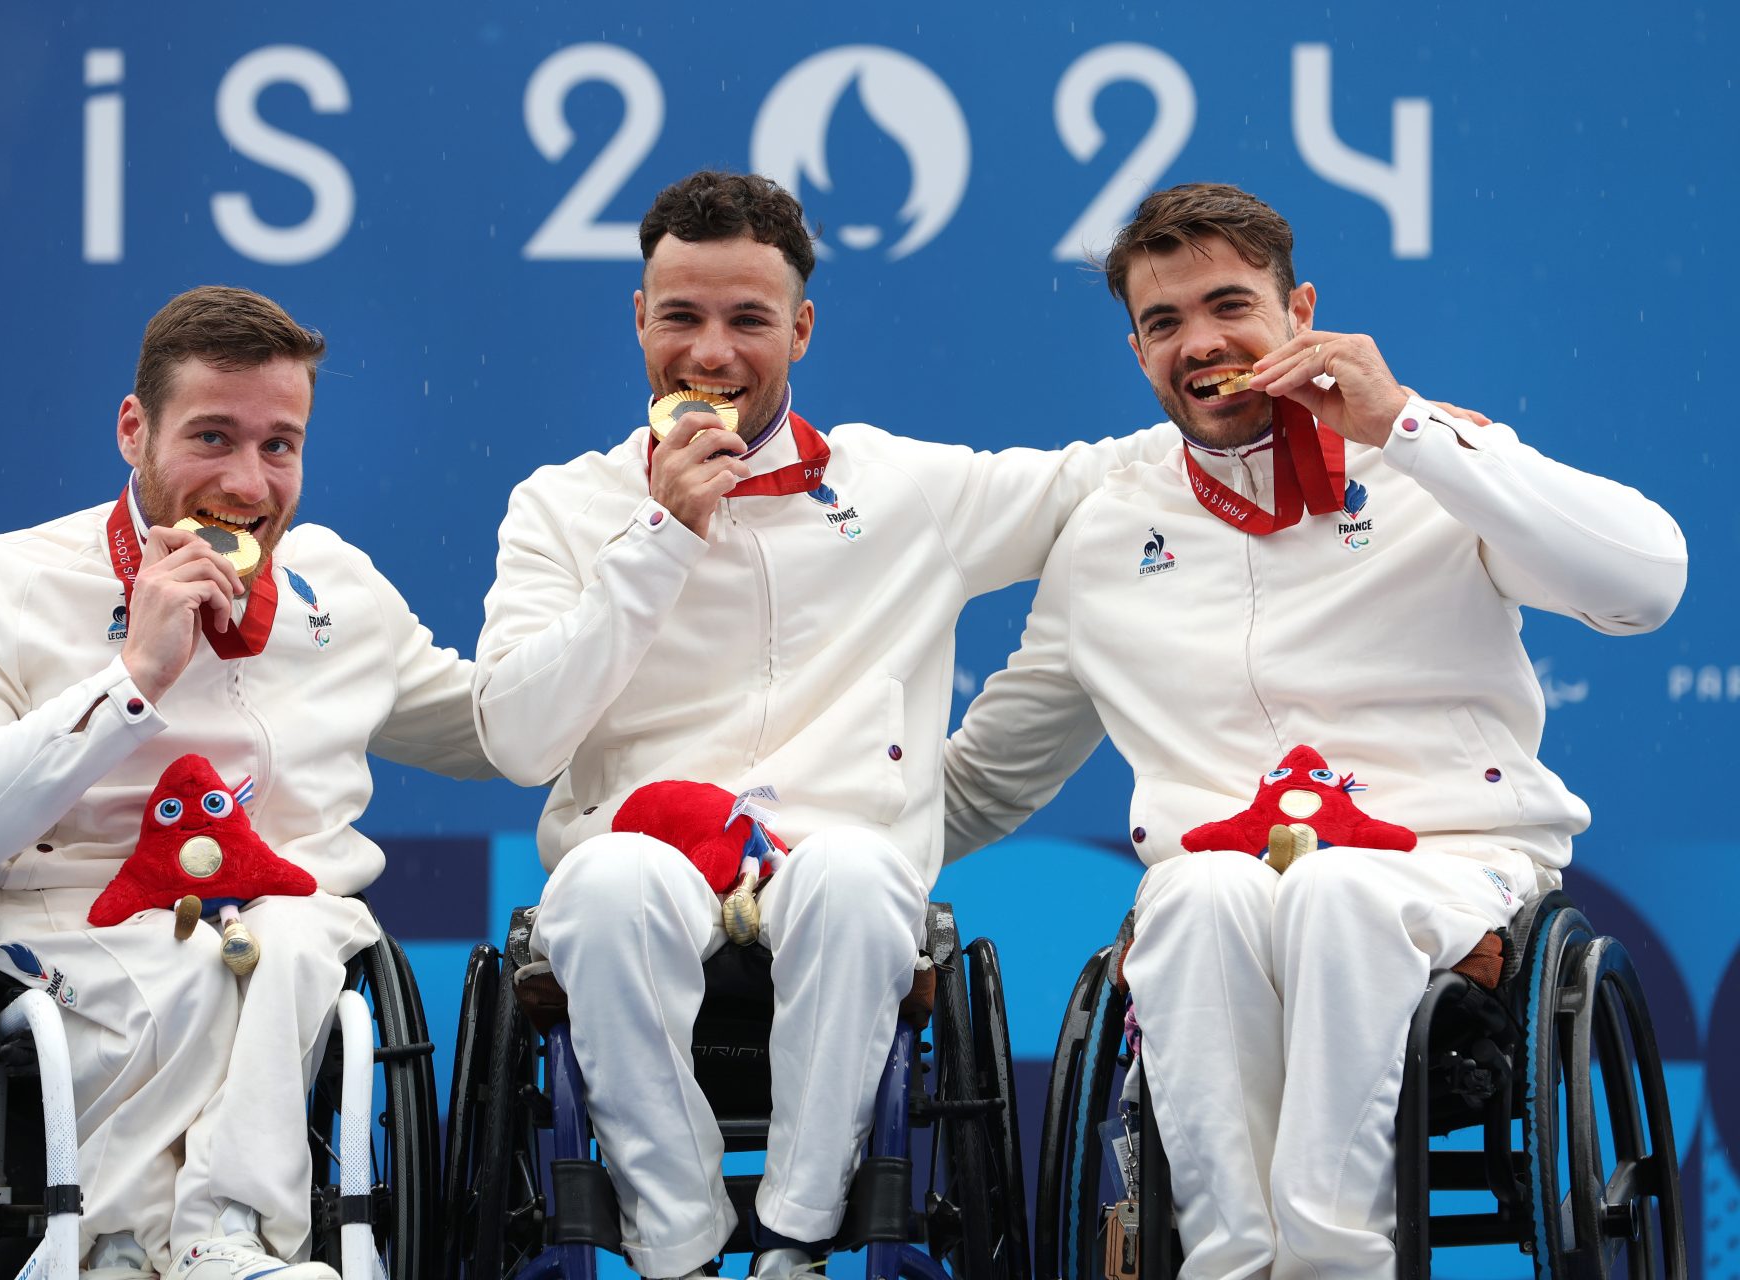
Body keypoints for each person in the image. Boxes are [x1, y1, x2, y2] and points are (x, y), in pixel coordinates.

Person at [942, 183, 1687, 1279]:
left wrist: (1403, 426)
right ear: (1139, 351)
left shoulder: (1431, 465)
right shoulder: (1108, 530)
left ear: (1303, 313)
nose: (1200, 343)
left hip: (1443, 863)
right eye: (1162, 323)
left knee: (1338, 892)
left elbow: (1647, 581)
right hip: (1223, 887)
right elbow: (988, 777)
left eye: (1228, 304)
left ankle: (1336, 1263)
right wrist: (837, 850)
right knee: (1193, 895)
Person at [471, 169, 1176, 1280]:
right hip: (640, 860)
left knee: (851, 872)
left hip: (837, 863)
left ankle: (795, 1238)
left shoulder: (902, 488)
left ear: (798, 327)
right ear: (639, 319)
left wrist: (1361, 420)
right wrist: (659, 536)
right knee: (604, 885)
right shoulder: (564, 506)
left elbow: (1108, 474)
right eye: (681, 317)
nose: (711, 353)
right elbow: (515, 737)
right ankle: (680, 1241)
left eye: (748, 319)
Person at [0, 286, 494, 1280]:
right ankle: (112, 1236)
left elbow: (498, 725)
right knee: (193, 964)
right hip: (67, 927)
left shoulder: (338, 588)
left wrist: (654, 564)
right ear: (132, 428)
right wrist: (129, 683)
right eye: (212, 436)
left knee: (290, 935)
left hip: (280, 921)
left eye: (279, 445)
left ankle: (221, 1233)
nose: (247, 482)